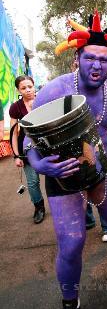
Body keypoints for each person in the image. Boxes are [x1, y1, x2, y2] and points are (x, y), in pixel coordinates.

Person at [25, 11, 107, 309]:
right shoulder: (56, 89)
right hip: (62, 173)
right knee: (72, 244)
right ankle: (70, 300)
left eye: (103, 59)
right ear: (78, 59)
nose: (97, 65)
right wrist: (39, 164)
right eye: (90, 58)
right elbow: (28, 138)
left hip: (101, 168)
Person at [9, 75, 46, 224]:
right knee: (32, 182)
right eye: (23, 88)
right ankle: (39, 208)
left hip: (48, 147)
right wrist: (16, 155)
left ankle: (62, 205)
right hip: (27, 149)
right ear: (18, 89)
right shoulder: (15, 107)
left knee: (56, 178)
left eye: (30, 86)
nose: (28, 90)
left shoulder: (44, 100)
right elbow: (14, 133)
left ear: (34, 85)